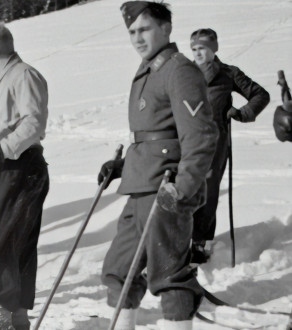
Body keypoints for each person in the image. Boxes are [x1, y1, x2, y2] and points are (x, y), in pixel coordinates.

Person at [98, 2, 218, 329]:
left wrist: (182, 188)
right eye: (132, 31)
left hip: (166, 189)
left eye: (144, 29)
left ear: (165, 29)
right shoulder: (150, 69)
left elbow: (200, 135)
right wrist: (121, 166)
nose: (137, 38)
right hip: (141, 185)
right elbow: (153, 137)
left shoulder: (179, 69)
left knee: (169, 274)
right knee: (119, 270)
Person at [0, 22, 50, 330]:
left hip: (24, 167)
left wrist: (1, 148)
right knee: (3, 237)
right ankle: (16, 316)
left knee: (7, 240)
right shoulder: (5, 80)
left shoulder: (23, 75)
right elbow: (7, 124)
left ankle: (2, 315)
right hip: (9, 167)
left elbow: (34, 123)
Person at [189, 28, 270, 263]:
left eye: (202, 48)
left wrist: (241, 113)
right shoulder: (184, 74)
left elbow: (260, 95)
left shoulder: (228, 73)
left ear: (214, 49)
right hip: (186, 141)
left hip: (215, 143)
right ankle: (178, 240)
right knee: (182, 189)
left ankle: (199, 243)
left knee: (208, 191)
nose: (198, 53)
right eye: (194, 49)